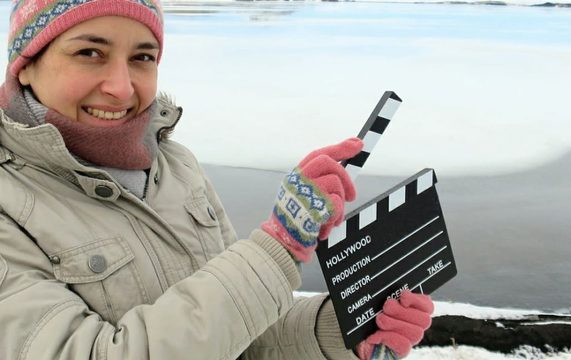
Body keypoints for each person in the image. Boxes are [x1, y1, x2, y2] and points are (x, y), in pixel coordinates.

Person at [0, 1, 434, 359]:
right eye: (89, 53)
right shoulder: (9, 205)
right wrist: (278, 247)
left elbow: (245, 336)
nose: (121, 86)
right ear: (25, 66)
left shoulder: (176, 166)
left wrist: (338, 331)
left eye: (142, 57)